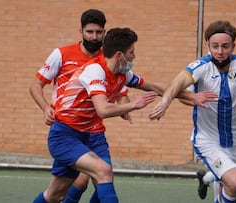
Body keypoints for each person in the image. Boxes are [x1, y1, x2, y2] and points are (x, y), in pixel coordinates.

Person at [31, 26, 216, 203]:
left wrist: (193, 96)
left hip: (86, 135)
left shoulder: (122, 73)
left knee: (55, 196)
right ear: (119, 56)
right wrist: (133, 105)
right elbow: (102, 109)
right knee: (102, 171)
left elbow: (156, 87)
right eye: (131, 52)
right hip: (65, 135)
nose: (134, 56)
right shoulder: (95, 70)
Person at [149, 20, 236, 203]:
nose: (220, 51)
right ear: (207, 45)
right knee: (235, 182)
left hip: (235, 139)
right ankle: (210, 180)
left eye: (225, 46)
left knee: (231, 184)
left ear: (233, 46)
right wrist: (165, 102)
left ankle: (204, 179)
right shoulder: (201, 66)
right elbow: (177, 84)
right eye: (215, 46)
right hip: (208, 140)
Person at [29, 9, 113, 203]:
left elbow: (120, 88)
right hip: (67, 128)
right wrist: (45, 108)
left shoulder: (106, 60)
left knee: (104, 177)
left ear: (104, 32)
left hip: (95, 131)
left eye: (99, 32)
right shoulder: (62, 54)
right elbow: (36, 85)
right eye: (89, 32)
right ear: (81, 31)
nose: (94, 37)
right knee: (57, 193)